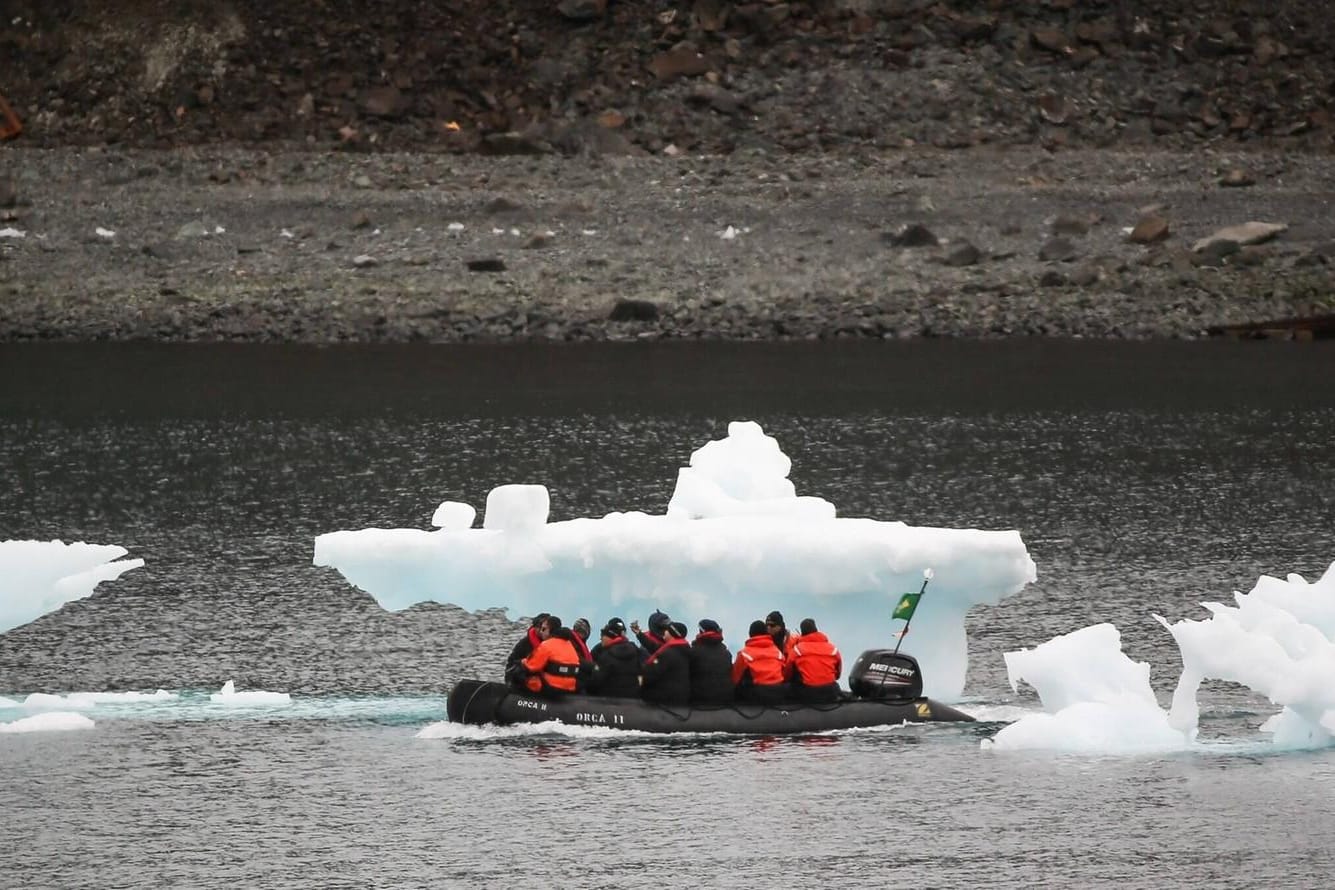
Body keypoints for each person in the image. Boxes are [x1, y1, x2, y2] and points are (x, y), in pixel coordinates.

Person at [511, 615, 583, 696]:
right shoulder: (569, 644)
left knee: (518, 672)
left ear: (550, 630)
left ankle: (516, 699)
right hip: (570, 687)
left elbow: (531, 667)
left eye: (544, 629)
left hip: (552, 688)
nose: (541, 632)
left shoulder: (547, 645)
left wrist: (522, 662)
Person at [732, 619, 790, 705]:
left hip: (757, 694)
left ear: (750, 634)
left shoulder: (744, 653)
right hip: (778, 693)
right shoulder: (777, 652)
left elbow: (735, 679)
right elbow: (784, 673)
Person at [789, 618, 843, 703]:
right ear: (816, 630)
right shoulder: (833, 649)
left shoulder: (797, 650)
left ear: (802, 633)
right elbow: (837, 675)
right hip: (830, 691)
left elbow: (787, 673)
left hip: (808, 692)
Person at [640, 621, 692, 706]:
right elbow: (654, 647)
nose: (664, 631)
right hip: (683, 696)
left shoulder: (668, 653)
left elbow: (650, 674)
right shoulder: (685, 649)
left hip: (667, 699)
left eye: (666, 630)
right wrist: (639, 634)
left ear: (672, 633)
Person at [587, 618, 641, 698]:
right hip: (632, 699)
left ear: (609, 637)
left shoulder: (606, 655)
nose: (601, 638)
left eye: (603, 636)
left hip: (609, 700)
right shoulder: (635, 650)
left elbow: (596, 681)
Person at [689, 618, 734, 705]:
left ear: (701, 632)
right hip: (725, 698)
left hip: (700, 698)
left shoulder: (694, 652)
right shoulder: (726, 653)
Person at [505, 612, 549, 677]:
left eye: (544, 628)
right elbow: (512, 663)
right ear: (534, 627)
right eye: (538, 627)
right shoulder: (524, 644)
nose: (541, 631)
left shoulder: (557, 643)